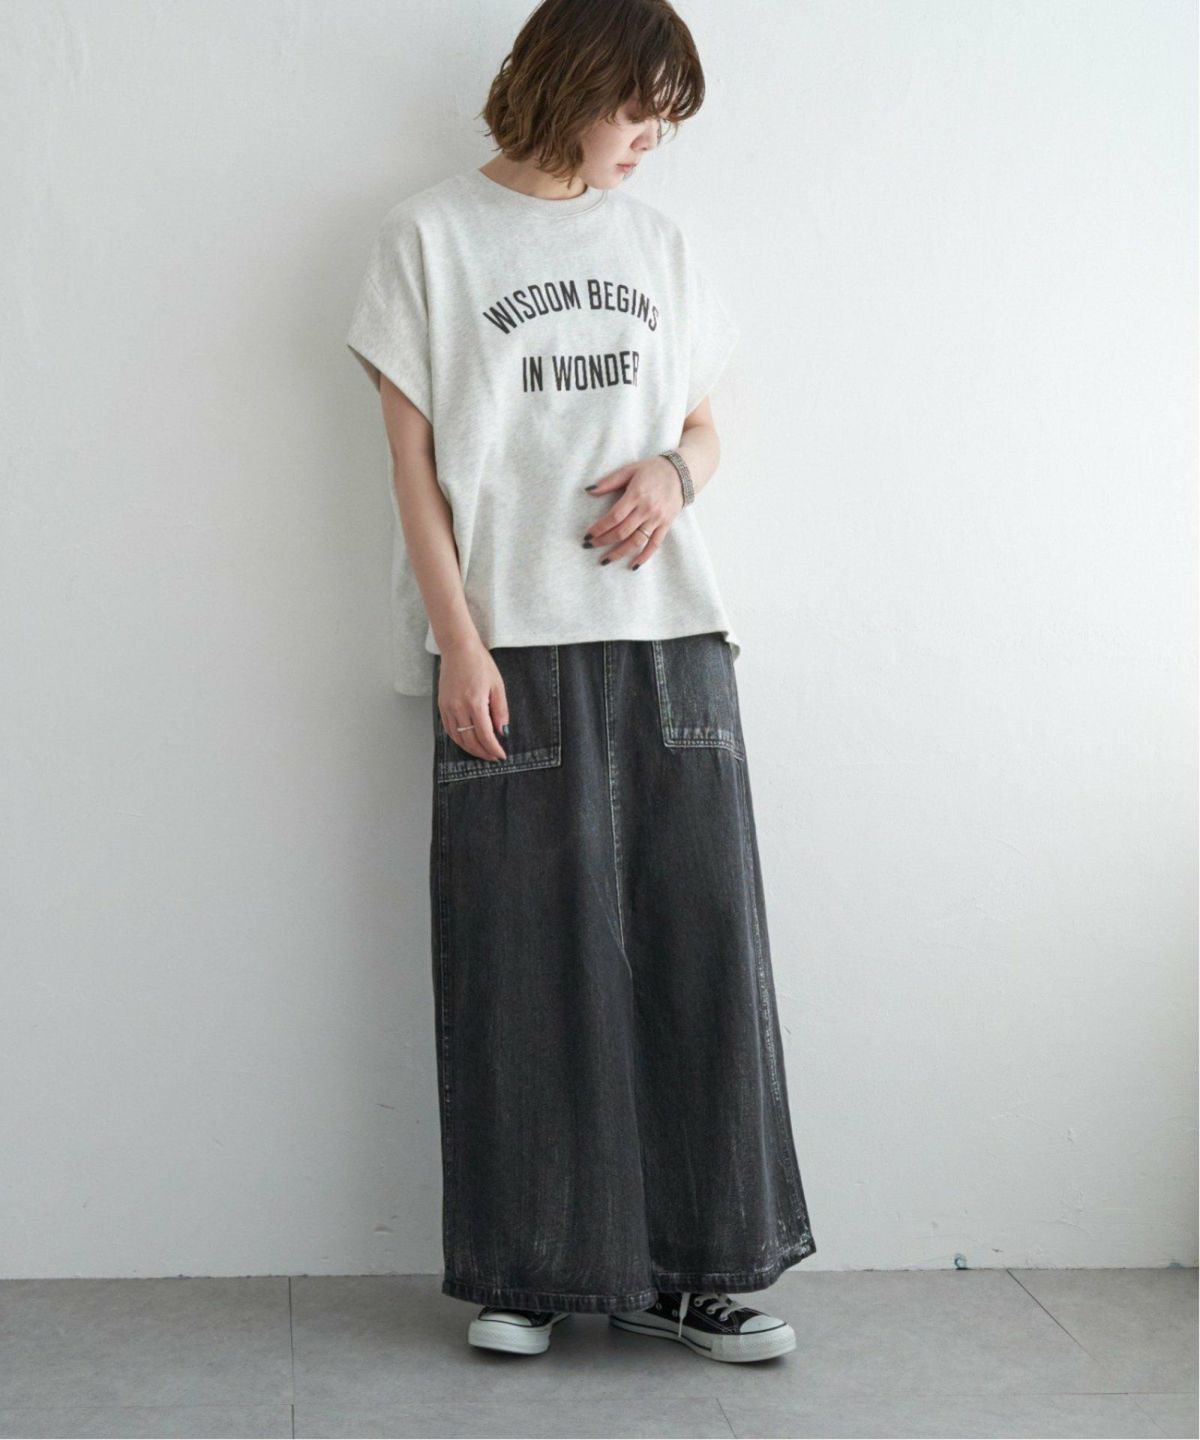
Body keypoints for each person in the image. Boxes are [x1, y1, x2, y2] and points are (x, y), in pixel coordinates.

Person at [345, 0, 816, 1365]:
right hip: (513, 647)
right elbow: (412, 470)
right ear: (571, 84)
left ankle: (700, 1273)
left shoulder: (658, 243)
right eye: (640, 109)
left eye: (671, 117)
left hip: (673, 641)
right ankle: (534, 1269)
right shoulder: (429, 239)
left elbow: (705, 430)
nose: (655, 138)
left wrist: (674, 473)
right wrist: (459, 641)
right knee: (523, 959)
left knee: (697, 953)